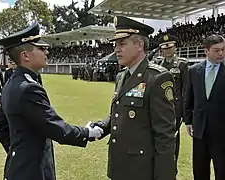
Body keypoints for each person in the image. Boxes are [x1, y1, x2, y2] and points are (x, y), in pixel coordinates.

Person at [0, 21, 103, 180]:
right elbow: (56, 128)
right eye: (41, 48)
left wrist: (18, 152)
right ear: (25, 55)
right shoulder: (28, 88)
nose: (47, 51)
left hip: (18, 168)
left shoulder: (12, 82)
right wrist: (87, 133)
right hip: (33, 172)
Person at [90, 16, 176, 180]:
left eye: (122, 44)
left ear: (139, 45)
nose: (116, 49)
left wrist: (165, 175)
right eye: (115, 45)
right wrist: (101, 126)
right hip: (119, 165)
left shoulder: (157, 78)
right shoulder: (122, 76)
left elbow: (165, 135)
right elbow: (119, 113)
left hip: (141, 170)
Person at [184, 34, 225, 180]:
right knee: (200, 170)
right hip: (199, 130)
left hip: (222, 133)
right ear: (206, 51)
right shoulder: (194, 70)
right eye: (216, 50)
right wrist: (188, 121)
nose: (221, 53)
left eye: (223, 49)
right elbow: (189, 98)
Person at [156, 34, 189, 179]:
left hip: (175, 110)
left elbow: (186, 90)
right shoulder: (157, 65)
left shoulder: (182, 64)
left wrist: (184, 113)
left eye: (170, 47)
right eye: (164, 48)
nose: (167, 50)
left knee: (172, 141)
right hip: (158, 108)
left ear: (175, 47)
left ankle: (171, 172)